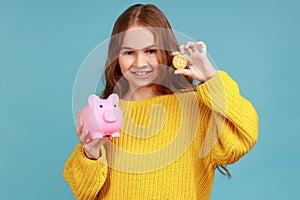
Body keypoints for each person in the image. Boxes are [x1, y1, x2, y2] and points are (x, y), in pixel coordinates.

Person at [63, 3, 259, 200]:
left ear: (166, 52)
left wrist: (211, 78)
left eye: (151, 51)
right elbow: (83, 191)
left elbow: (244, 136)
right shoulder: (107, 113)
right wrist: (90, 154)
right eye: (129, 52)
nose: (140, 63)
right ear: (116, 56)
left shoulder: (195, 106)